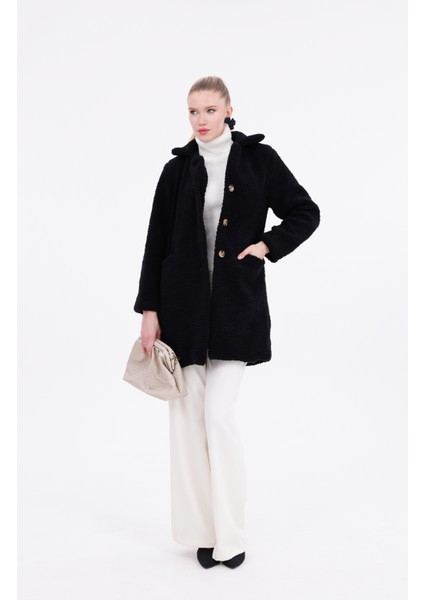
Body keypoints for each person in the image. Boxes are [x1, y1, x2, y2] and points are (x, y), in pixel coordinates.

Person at [133, 76, 320, 569]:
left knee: (218, 416)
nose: (201, 120)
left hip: (237, 311)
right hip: (182, 315)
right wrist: (149, 311)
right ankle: (202, 531)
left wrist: (267, 245)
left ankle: (231, 536)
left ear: (229, 110)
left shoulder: (260, 159)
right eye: (193, 111)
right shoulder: (177, 169)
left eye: (210, 110)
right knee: (188, 422)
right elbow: (156, 242)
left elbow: (305, 212)